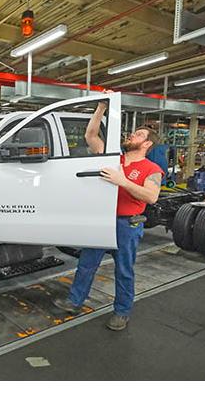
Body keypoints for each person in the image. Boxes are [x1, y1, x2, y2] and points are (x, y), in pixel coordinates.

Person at [52, 99, 163, 331]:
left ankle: (122, 312)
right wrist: (101, 107)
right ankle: (74, 301)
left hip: (127, 225)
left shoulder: (151, 170)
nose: (132, 135)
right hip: (101, 222)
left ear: (147, 144)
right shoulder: (112, 159)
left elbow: (151, 197)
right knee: (86, 264)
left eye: (139, 134)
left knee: (124, 270)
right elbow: (90, 136)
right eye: (134, 132)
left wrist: (122, 181)